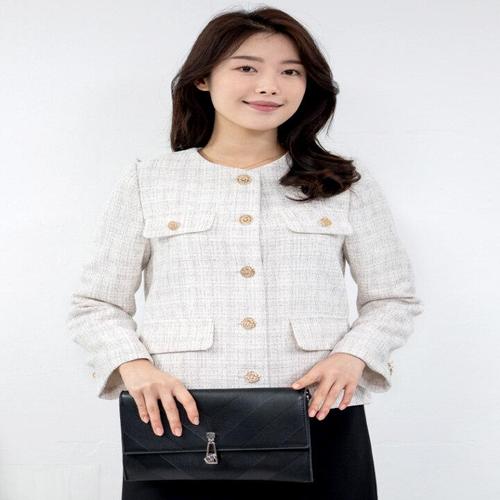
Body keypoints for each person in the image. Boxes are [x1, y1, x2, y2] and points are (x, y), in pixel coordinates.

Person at [66, 6, 423, 500]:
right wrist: (135, 367)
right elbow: (97, 303)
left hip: (319, 414)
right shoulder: (149, 181)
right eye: (247, 67)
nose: (270, 86)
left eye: (290, 72)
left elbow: (392, 298)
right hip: (179, 422)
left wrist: (352, 356)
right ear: (203, 79)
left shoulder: (343, 184)